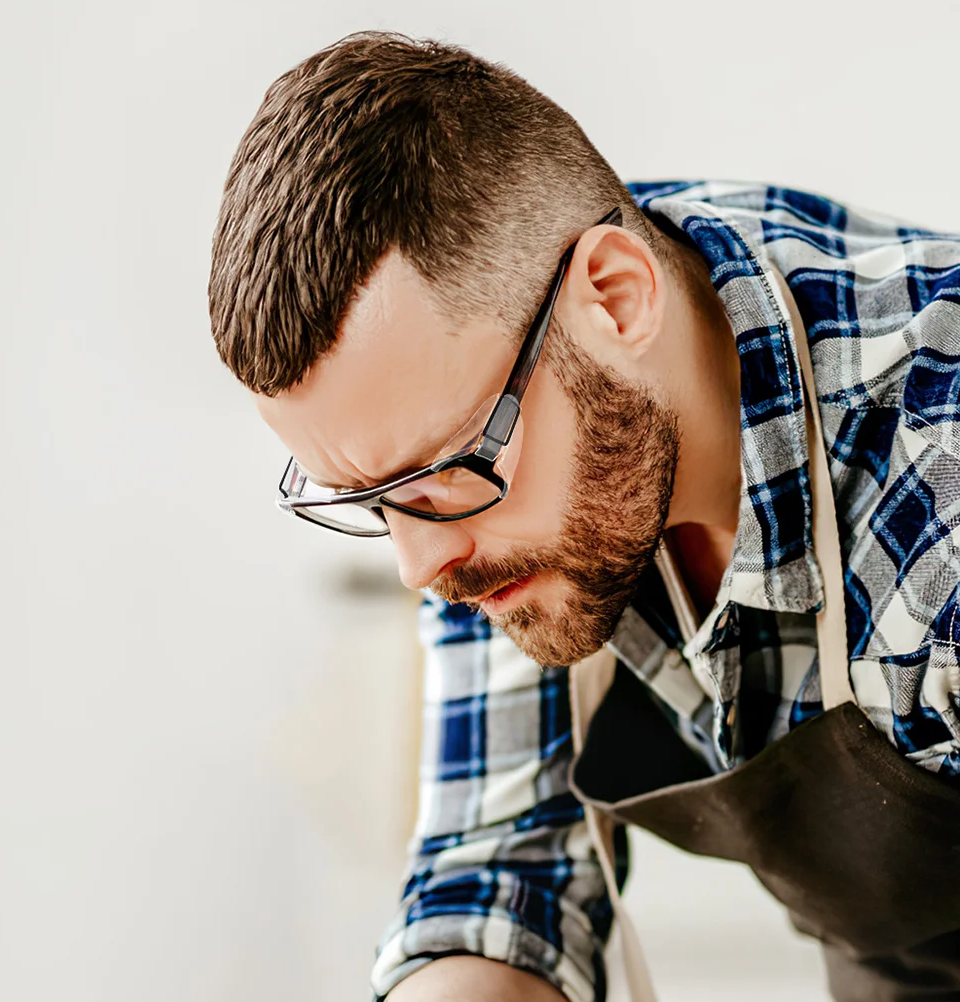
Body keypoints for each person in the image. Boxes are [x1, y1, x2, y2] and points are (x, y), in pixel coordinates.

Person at [207, 30, 960, 1002]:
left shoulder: (938, 485)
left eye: (441, 475)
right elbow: (495, 881)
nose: (421, 565)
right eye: (372, 502)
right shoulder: (514, 391)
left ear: (617, 297)